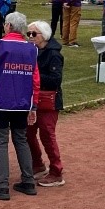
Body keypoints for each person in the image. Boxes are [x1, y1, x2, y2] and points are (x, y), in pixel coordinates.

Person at [0, 11, 40, 201]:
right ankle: (28, 181)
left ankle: (2, 186)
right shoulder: (31, 49)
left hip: (0, 102)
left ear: (9, 26)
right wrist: (34, 105)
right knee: (21, 139)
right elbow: (35, 79)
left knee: (1, 141)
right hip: (22, 102)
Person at [27, 21, 65, 187]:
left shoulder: (54, 55)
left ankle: (56, 172)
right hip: (32, 100)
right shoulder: (32, 51)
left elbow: (55, 80)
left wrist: (33, 77)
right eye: (28, 34)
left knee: (47, 135)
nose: (30, 37)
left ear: (44, 36)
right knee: (27, 132)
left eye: (34, 34)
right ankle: (37, 164)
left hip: (48, 101)